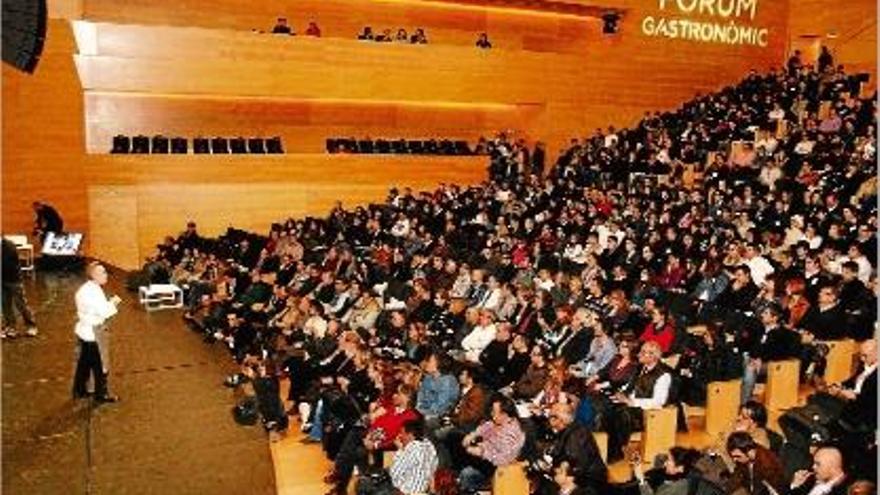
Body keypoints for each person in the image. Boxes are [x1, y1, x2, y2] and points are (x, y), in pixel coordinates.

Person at [72, 262, 121, 403]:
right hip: (93, 332)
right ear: (93, 275)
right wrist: (114, 303)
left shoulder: (87, 289)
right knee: (100, 364)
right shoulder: (92, 292)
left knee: (84, 363)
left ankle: (79, 389)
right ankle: (101, 394)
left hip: (85, 331)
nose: (106, 275)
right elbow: (104, 312)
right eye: (103, 273)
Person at [458, 396, 525, 492]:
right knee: (455, 438)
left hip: (497, 470)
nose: (492, 414)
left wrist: (482, 452)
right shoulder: (496, 422)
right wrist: (473, 435)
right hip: (484, 458)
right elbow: (486, 427)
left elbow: (504, 460)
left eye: (494, 411)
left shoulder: (511, 433)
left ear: (504, 414)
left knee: (466, 474)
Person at [1, 237, 37, 338]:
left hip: (13, 279)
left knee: (21, 304)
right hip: (2, 280)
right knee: (5, 305)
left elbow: (9, 264)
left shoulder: (9, 246)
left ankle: (31, 325)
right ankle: (10, 327)